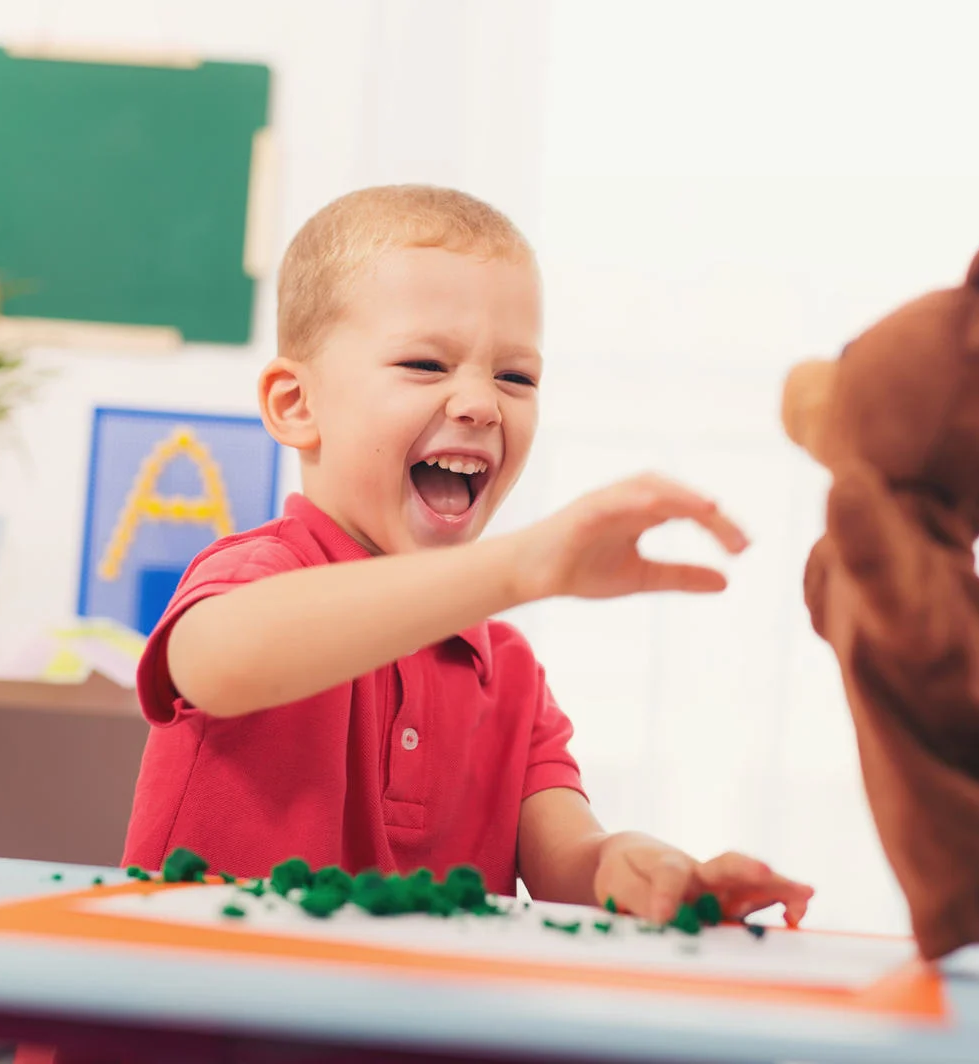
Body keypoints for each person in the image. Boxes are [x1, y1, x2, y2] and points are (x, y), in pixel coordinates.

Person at [121, 184, 813, 928]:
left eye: (516, 376)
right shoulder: (258, 577)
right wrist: (520, 568)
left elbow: (567, 863)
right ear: (296, 405)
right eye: (425, 364)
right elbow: (221, 663)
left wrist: (642, 870)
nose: (482, 403)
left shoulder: (509, 674)